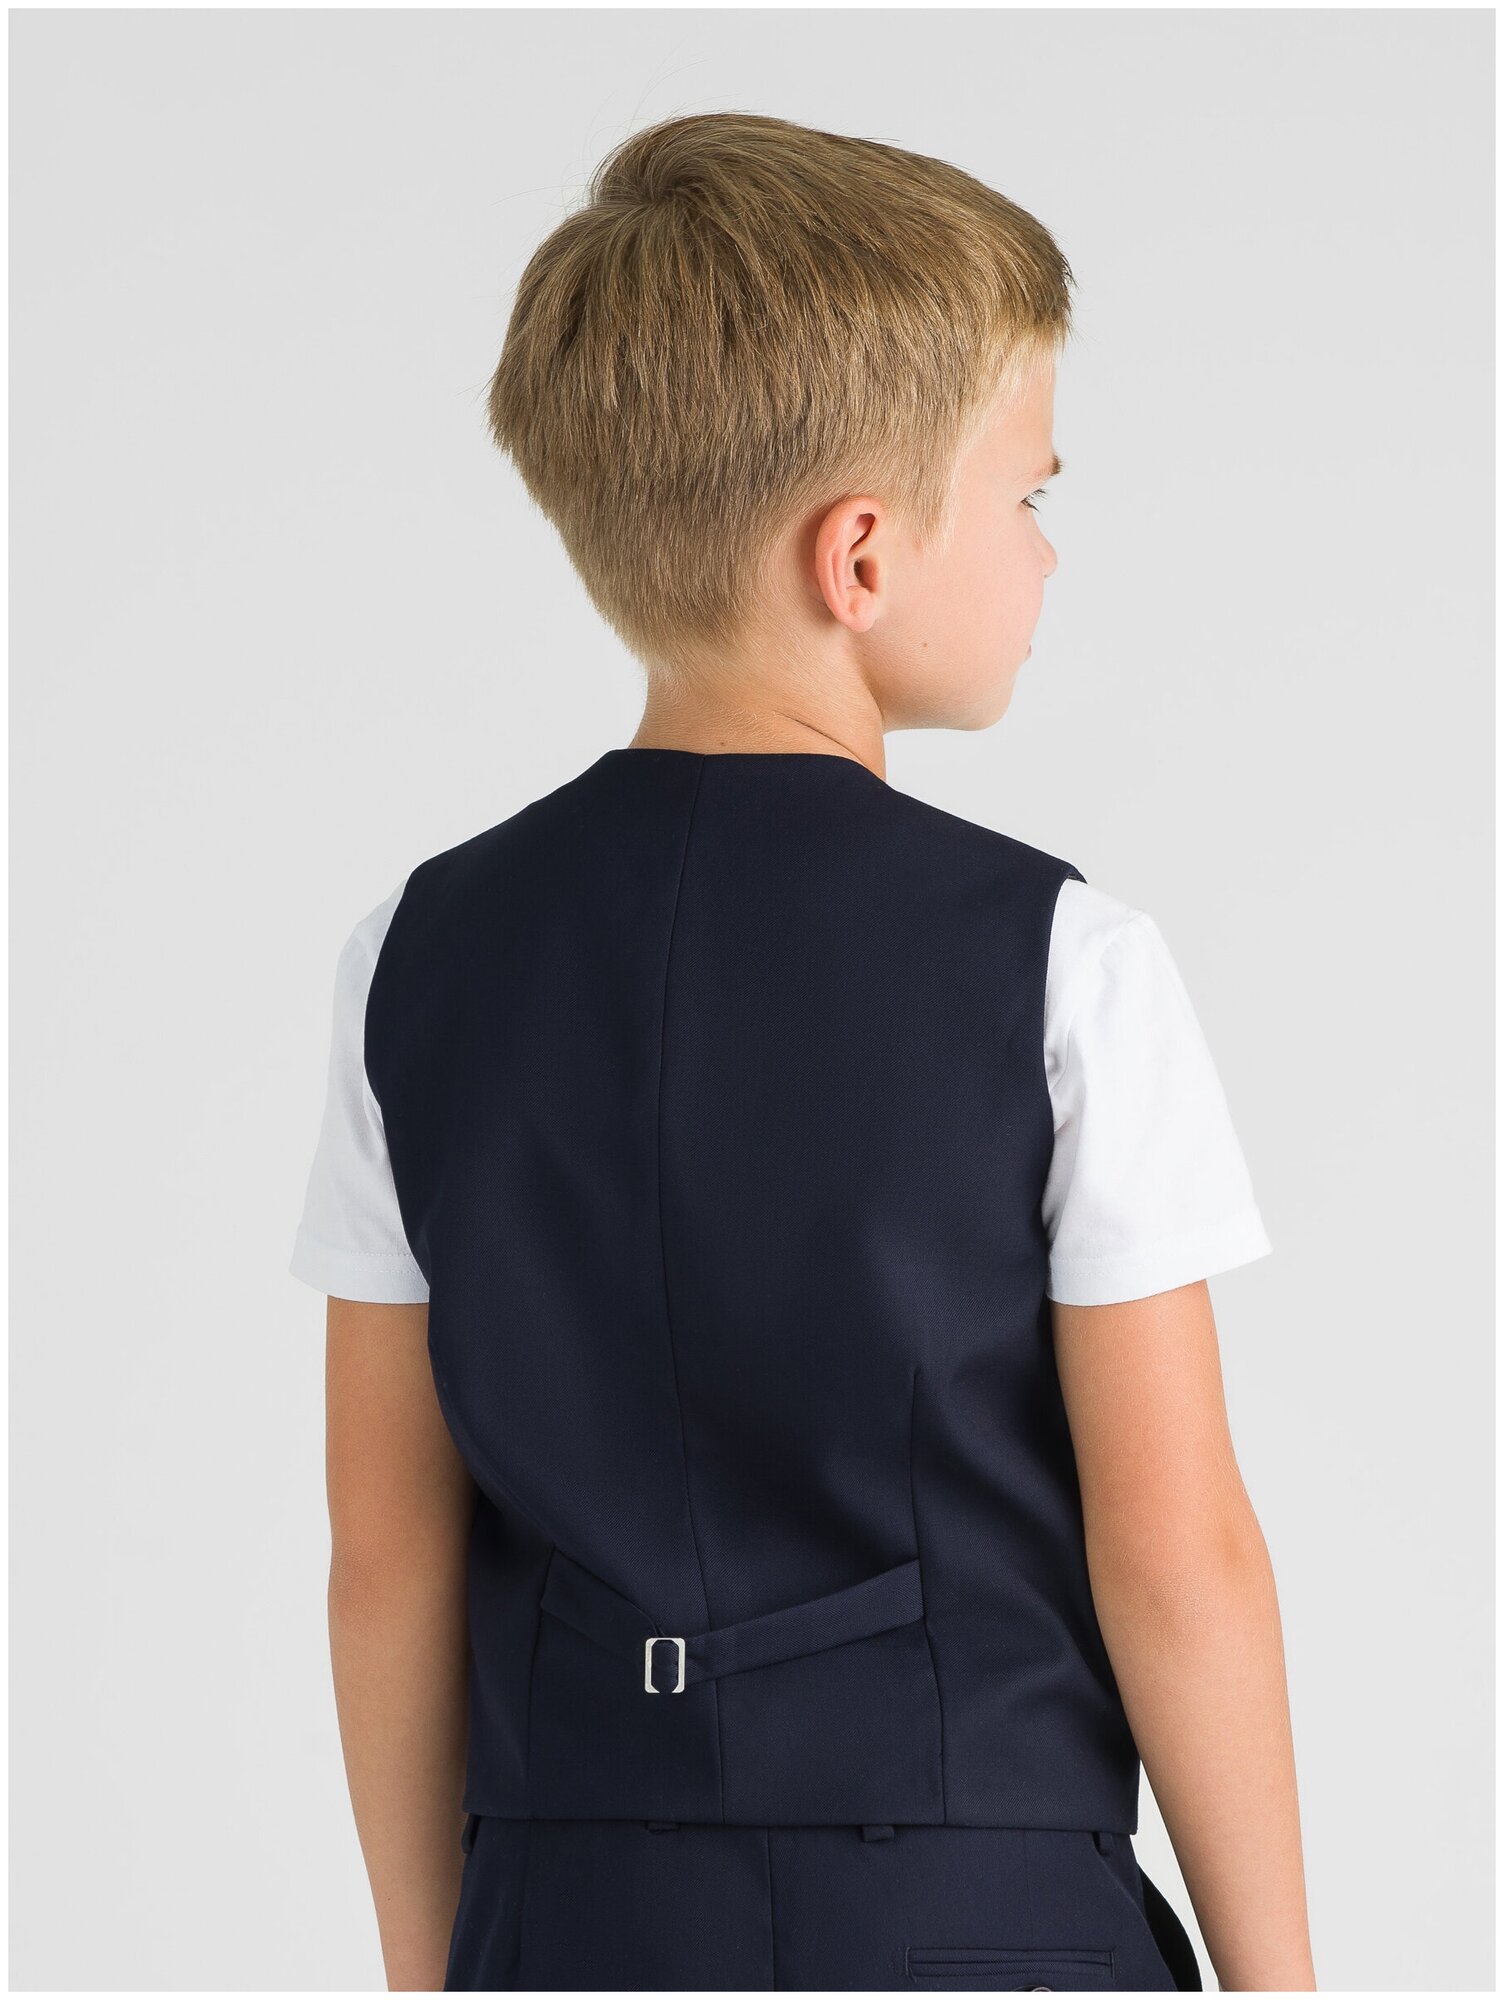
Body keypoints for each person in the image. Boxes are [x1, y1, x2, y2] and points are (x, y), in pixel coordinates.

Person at [290, 110, 1316, 1993]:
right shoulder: (1065, 963)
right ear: (859, 553)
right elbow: (1181, 1559)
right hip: (984, 1920)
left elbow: (387, 1555)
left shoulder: (415, 959)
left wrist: (439, 1970)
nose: (1047, 553)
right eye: (1029, 497)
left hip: (574, 1918)